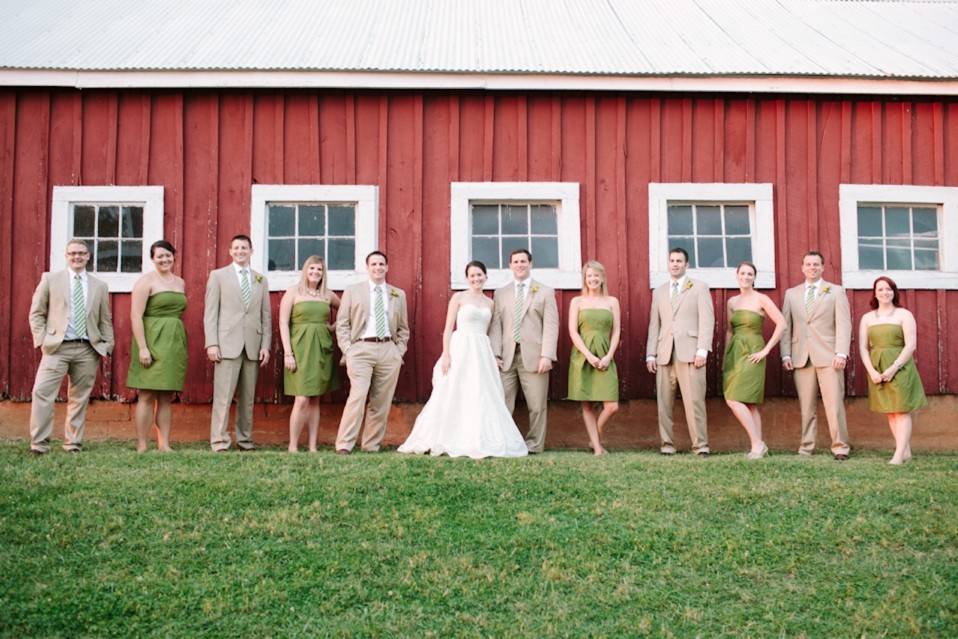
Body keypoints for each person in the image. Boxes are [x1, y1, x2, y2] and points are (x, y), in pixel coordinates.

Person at [399, 261, 527, 458]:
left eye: (479, 275)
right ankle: (445, 436)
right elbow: (449, 328)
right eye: (472, 276)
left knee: (480, 391)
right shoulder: (458, 298)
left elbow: (493, 331)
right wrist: (446, 354)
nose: (476, 279)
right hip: (461, 347)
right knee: (454, 389)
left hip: (481, 350)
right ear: (467, 278)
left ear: (485, 277)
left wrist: (495, 356)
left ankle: (478, 437)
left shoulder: (490, 303)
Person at [28, 239, 114, 454]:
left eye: (82, 253)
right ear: (66, 255)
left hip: (87, 349)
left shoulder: (99, 286)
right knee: (42, 393)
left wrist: (108, 345)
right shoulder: (50, 279)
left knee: (79, 397)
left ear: (88, 256)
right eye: (73, 253)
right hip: (56, 347)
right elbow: (36, 313)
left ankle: (72, 444)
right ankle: (39, 444)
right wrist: (42, 341)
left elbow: (105, 319)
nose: (77, 257)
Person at [334, 251, 410, 454]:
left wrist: (398, 351)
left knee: (381, 401)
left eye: (381, 264)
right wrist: (348, 350)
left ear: (387, 267)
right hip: (360, 349)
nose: (378, 267)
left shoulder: (397, 294)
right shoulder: (353, 291)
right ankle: (344, 445)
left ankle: (371, 445)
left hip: (388, 349)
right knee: (357, 396)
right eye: (374, 264)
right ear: (367, 267)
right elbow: (342, 323)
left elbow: (403, 328)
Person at [781, 250, 852, 460]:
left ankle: (840, 447)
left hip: (829, 356)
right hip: (801, 357)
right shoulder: (791, 294)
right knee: (806, 406)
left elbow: (843, 324)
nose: (812, 268)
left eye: (816, 264)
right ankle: (806, 447)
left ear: (822, 267)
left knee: (834, 404)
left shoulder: (836, 291)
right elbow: (786, 326)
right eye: (808, 264)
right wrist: (786, 355)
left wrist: (841, 352)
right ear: (802, 268)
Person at [204, 234, 271, 452]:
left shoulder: (260, 279)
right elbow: (210, 313)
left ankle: (245, 440)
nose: (240, 251)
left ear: (251, 251)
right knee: (223, 396)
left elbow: (265, 315)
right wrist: (212, 343)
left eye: (244, 248)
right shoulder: (218, 276)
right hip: (226, 344)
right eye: (236, 248)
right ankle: (219, 441)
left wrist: (265, 345)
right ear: (230, 251)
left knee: (248, 398)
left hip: (252, 344)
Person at [489, 249, 559, 454]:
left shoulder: (545, 291)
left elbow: (551, 325)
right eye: (515, 262)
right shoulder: (500, 293)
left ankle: (535, 445)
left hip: (535, 357)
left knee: (537, 406)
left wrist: (547, 355)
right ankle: (503, 442)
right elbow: (496, 326)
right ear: (510, 266)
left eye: (523, 261)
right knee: (503, 403)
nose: (519, 265)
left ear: (530, 264)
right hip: (507, 357)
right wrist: (495, 354)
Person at [646, 247, 714, 457]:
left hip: (691, 353)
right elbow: (654, 325)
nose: (675, 264)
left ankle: (700, 446)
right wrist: (651, 353)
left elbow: (707, 319)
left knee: (694, 401)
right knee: (664, 403)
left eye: (679, 261)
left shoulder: (699, 288)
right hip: (665, 352)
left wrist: (702, 350)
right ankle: (667, 444)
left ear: (687, 265)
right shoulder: (659, 291)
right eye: (672, 260)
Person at [127, 240, 187, 453]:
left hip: (173, 343)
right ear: (152, 259)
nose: (164, 259)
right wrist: (143, 347)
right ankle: (142, 443)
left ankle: (164, 443)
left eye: (168, 255)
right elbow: (136, 316)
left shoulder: (180, 282)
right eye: (159, 256)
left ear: (174, 256)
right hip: (151, 340)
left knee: (165, 396)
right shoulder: (146, 282)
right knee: (146, 395)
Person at [858, 276, 926, 465]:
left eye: (888, 289)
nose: (884, 293)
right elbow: (863, 348)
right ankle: (905, 451)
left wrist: (893, 368)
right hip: (877, 366)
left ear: (894, 292)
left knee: (902, 409)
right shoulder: (867, 318)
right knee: (891, 411)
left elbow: (911, 345)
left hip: (900, 367)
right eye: (880, 289)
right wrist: (872, 371)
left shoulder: (904, 315)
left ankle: (898, 455)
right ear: (875, 293)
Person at [722, 261, 785, 459]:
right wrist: (725, 356)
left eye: (750, 274)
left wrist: (766, 350)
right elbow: (730, 330)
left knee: (732, 399)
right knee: (749, 404)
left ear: (754, 277)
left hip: (753, 351)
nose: (746, 277)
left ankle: (757, 443)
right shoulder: (731, 302)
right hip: (735, 352)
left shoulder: (762, 299)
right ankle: (758, 447)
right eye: (743, 273)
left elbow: (782, 324)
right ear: (737, 275)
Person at [279, 256, 340, 453]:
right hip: (300, 348)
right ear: (305, 270)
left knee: (315, 398)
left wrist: (332, 327)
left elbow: (349, 311)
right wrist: (288, 353)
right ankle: (293, 445)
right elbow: (282, 323)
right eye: (312, 268)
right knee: (302, 398)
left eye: (319, 269)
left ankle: (313, 446)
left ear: (323, 273)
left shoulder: (327, 295)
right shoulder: (293, 292)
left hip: (321, 348)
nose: (315, 272)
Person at [567, 261, 620, 456]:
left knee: (612, 406)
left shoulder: (612, 301)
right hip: (583, 356)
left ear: (602, 277)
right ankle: (598, 448)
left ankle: (593, 437)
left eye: (596, 275)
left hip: (605, 354)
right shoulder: (577, 302)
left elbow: (616, 331)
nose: (593, 279)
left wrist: (608, 356)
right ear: (585, 279)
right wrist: (589, 356)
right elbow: (573, 331)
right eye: (589, 276)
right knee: (587, 405)